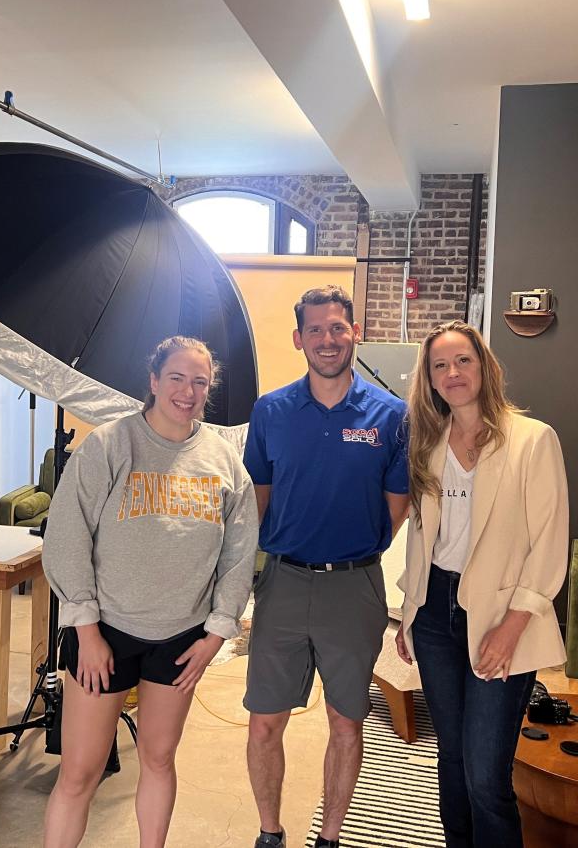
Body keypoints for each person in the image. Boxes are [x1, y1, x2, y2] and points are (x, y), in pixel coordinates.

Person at [42, 336, 259, 848]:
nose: (188, 391)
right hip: (107, 635)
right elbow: (67, 537)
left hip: (180, 638)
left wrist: (216, 633)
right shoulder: (112, 445)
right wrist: (88, 631)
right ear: (154, 381)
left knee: (159, 759)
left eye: (199, 382)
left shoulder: (225, 460)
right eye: (177, 378)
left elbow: (239, 553)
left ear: (209, 388)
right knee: (81, 772)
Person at [242, 285, 410, 848]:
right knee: (266, 720)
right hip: (283, 583)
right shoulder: (271, 411)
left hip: (355, 586)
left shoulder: (391, 416)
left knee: (346, 721)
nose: (327, 339)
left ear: (354, 331)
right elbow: (257, 501)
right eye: (315, 330)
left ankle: (330, 839)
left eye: (337, 327)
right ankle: (270, 833)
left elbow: (396, 509)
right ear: (298, 339)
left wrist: (358, 549)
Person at [394, 320, 568, 848]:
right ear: (429, 378)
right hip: (433, 615)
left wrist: (513, 627)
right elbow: (423, 539)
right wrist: (408, 613)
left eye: (462, 360)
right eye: (440, 365)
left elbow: (550, 542)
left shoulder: (533, 440)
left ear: (484, 366)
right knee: (450, 757)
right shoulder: (428, 443)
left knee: (486, 773)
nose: (452, 373)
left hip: (498, 614)